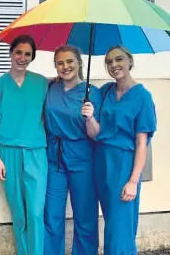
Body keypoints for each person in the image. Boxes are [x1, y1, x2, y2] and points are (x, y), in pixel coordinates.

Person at [81, 45, 157, 255]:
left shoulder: (143, 97)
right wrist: (90, 117)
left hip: (124, 164)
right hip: (101, 162)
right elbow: (96, 134)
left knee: (120, 228)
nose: (114, 65)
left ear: (130, 61)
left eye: (119, 59)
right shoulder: (105, 91)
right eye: (109, 62)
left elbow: (142, 143)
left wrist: (133, 181)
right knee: (110, 222)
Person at [0, 34, 49, 255]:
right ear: (11, 53)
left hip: (37, 153)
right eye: (18, 52)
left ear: (32, 57)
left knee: (36, 212)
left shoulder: (42, 83)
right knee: (19, 213)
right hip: (8, 153)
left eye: (27, 54)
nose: (22, 57)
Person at [43, 45, 101, 255]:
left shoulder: (91, 92)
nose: (65, 66)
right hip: (54, 158)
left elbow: (96, 134)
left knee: (85, 215)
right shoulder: (51, 87)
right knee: (52, 215)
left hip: (82, 157)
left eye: (69, 61)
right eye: (60, 63)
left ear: (79, 63)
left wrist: (91, 117)